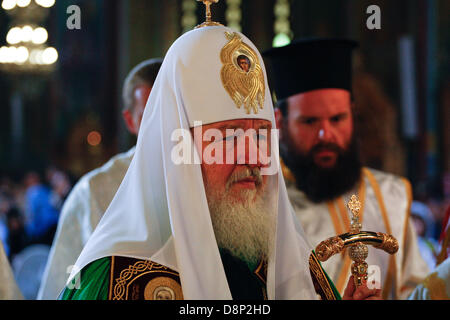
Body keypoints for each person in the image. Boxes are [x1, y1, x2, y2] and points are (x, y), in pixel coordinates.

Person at [60, 26, 380, 300]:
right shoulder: (117, 281)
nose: (255, 157)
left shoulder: (292, 266)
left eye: (261, 136)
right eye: (227, 139)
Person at [263, 38, 429, 299]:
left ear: (352, 114)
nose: (325, 134)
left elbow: (413, 289)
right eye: (309, 121)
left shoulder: (391, 195)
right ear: (280, 122)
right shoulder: (262, 203)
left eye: (337, 119)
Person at [37, 58, 163, 300]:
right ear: (130, 121)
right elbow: (64, 282)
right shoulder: (94, 189)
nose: (162, 125)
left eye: (170, 112)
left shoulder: (208, 174)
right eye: (149, 115)